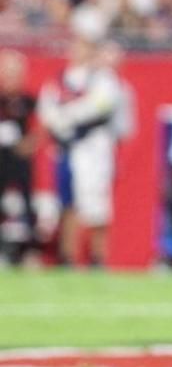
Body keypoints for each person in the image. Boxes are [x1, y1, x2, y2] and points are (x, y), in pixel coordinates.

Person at [38, 14, 134, 268]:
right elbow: (46, 108)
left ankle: (97, 256)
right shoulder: (61, 79)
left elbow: (98, 106)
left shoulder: (102, 79)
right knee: (67, 202)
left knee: (95, 203)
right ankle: (67, 256)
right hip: (67, 146)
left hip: (93, 146)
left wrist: (66, 116)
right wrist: (59, 120)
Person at [0, 49, 38, 266]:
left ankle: (30, 250)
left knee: (26, 202)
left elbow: (40, 128)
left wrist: (29, 144)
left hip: (20, 159)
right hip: (1, 158)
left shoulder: (27, 99)